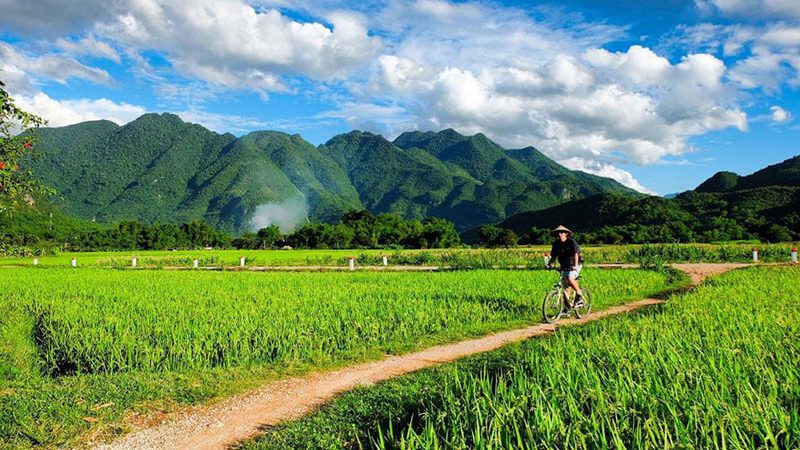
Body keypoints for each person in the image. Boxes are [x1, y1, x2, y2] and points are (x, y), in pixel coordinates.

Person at [547, 225, 584, 307]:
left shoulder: (571, 242)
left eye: (561, 232)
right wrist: (549, 264)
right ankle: (566, 309)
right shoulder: (556, 244)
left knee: (570, 278)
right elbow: (554, 256)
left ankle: (579, 293)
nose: (559, 234)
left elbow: (576, 254)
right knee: (565, 287)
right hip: (564, 265)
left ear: (566, 234)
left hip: (576, 263)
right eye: (558, 233)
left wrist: (575, 265)